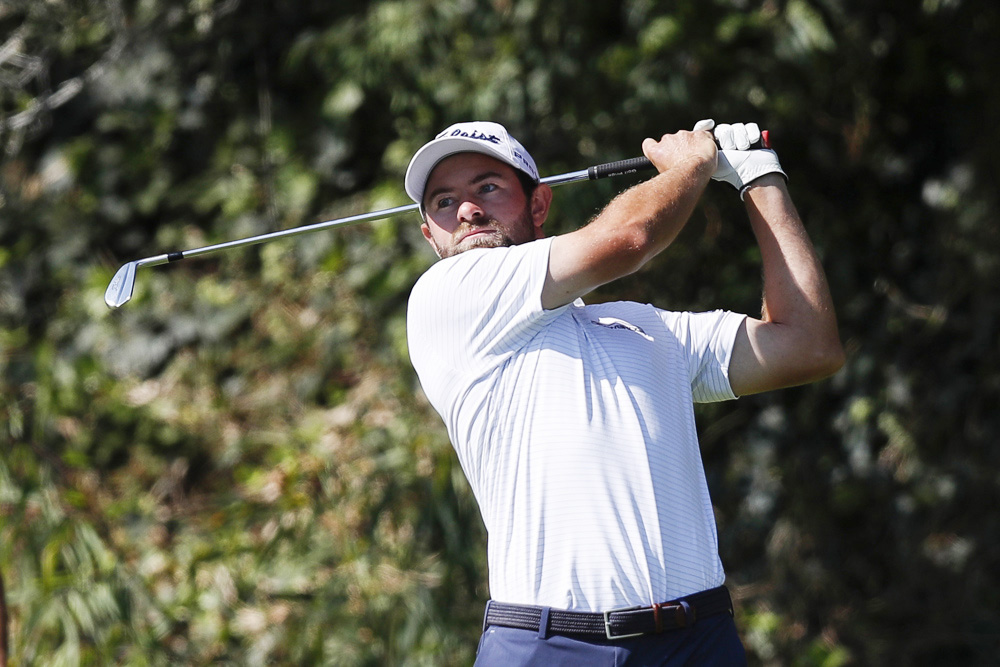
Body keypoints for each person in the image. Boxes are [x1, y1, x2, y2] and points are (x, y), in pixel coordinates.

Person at [403, 120, 844, 665]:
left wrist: (760, 179)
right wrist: (690, 165)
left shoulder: (645, 326)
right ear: (430, 234)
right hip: (551, 646)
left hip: (697, 639)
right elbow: (629, 238)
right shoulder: (446, 296)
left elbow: (807, 346)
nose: (467, 211)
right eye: (444, 202)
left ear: (538, 204)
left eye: (487, 187)